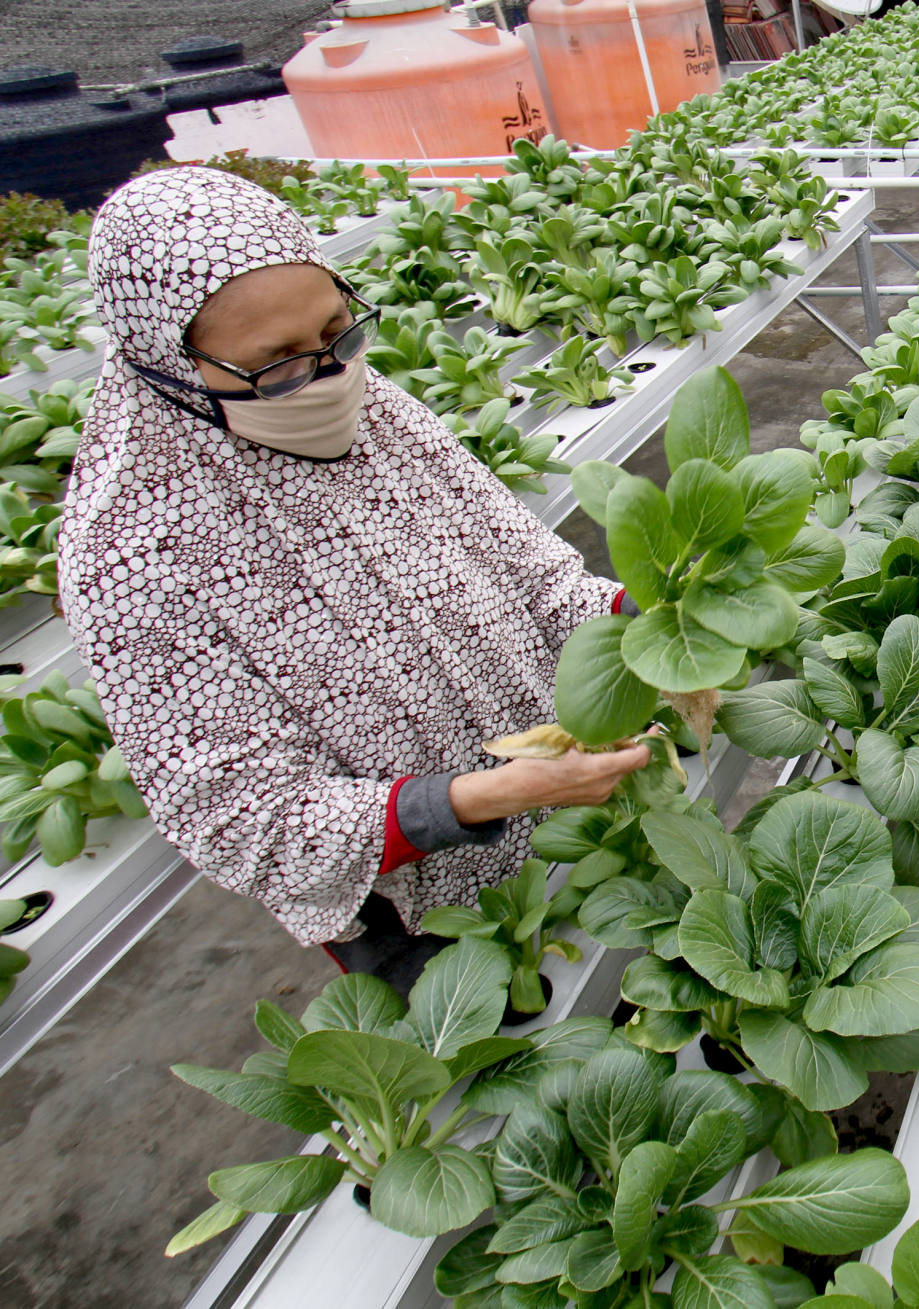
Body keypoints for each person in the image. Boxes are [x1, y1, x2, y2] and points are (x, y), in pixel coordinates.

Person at [59, 166, 647, 989]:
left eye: (338, 330)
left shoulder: (377, 410)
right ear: (171, 365)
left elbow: (532, 573)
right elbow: (242, 817)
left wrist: (645, 610)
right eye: (280, 364)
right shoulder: (133, 549)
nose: (330, 375)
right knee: (507, 1041)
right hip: (410, 903)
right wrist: (476, 798)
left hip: (558, 793)